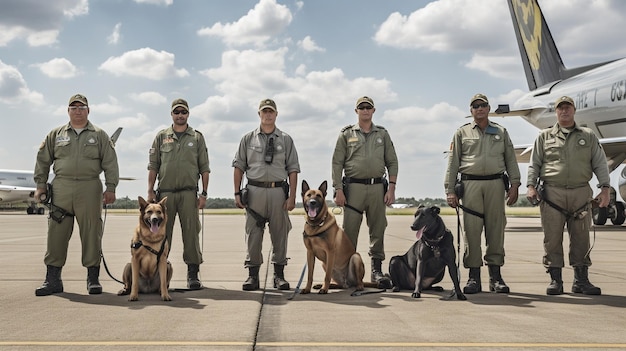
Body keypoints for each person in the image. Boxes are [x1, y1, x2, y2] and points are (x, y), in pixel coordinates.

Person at [33, 93, 119, 296]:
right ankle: (52, 280)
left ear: (88, 111)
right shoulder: (56, 134)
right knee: (56, 234)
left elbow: (110, 162)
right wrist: (40, 185)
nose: (78, 111)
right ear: (68, 111)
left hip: (89, 187)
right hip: (61, 187)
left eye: (82, 107)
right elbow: (43, 160)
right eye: (74, 107)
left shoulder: (99, 135)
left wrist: (111, 187)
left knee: (91, 232)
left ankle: (93, 279)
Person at [526, 95, 610, 296]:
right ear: (556, 112)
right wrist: (531, 186)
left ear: (574, 110)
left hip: (581, 193)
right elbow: (534, 163)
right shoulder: (544, 137)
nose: (564, 111)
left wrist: (605, 188)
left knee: (581, 238)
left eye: (568, 107)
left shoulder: (588, 136)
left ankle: (581, 280)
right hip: (552, 194)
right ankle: (556, 280)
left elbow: (600, 162)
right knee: (552, 238)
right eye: (560, 108)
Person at [444, 93, 521, 294]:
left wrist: (515, 184)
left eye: (483, 105)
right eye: (475, 106)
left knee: (496, 230)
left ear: (488, 108)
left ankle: (496, 277)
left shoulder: (501, 132)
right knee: (471, 231)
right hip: (471, 185)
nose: (479, 108)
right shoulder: (461, 133)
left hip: (496, 184)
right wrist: (450, 190)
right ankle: (473, 278)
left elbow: (511, 159)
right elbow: (453, 163)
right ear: (471, 111)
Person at [233, 98, 300, 291]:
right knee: (253, 235)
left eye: (271, 111)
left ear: (276, 114)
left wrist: (292, 196)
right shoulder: (248, 139)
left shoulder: (286, 139)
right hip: (254, 193)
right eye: (264, 111)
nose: (268, 114)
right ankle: (252, 276)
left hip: (278, 192)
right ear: (259, 114)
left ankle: (279, 276)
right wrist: (237, 192)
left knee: (280, 234)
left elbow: (293, 169)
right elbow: (238, 167)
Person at [332, 96, 398, 288]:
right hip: (353, 189)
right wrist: (338, 190)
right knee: (349, 232)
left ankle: (376, 271)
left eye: (368, 107)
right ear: (356, 111)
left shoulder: (382, 134)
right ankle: (346, 271)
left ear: (374, 111)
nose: (365, 110)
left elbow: (392, 162)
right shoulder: (346, 134)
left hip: (377, 188)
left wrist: (391, 188)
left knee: (378, 229)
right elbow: (337, 163)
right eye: (361, 107)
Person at [147, 98, 210, 290]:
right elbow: (153, 165)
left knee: (191, 234)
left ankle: (193, 274)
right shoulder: (161, 136)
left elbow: (204, 168)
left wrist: (204, 194)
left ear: (188, 114)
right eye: (177, 112)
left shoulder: (197, 137)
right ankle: (158, 275)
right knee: (162, 235)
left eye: (183, 112)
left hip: (189, 193)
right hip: (165, 195)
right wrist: (150, 190)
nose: (180, 115)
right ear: (171, 114)